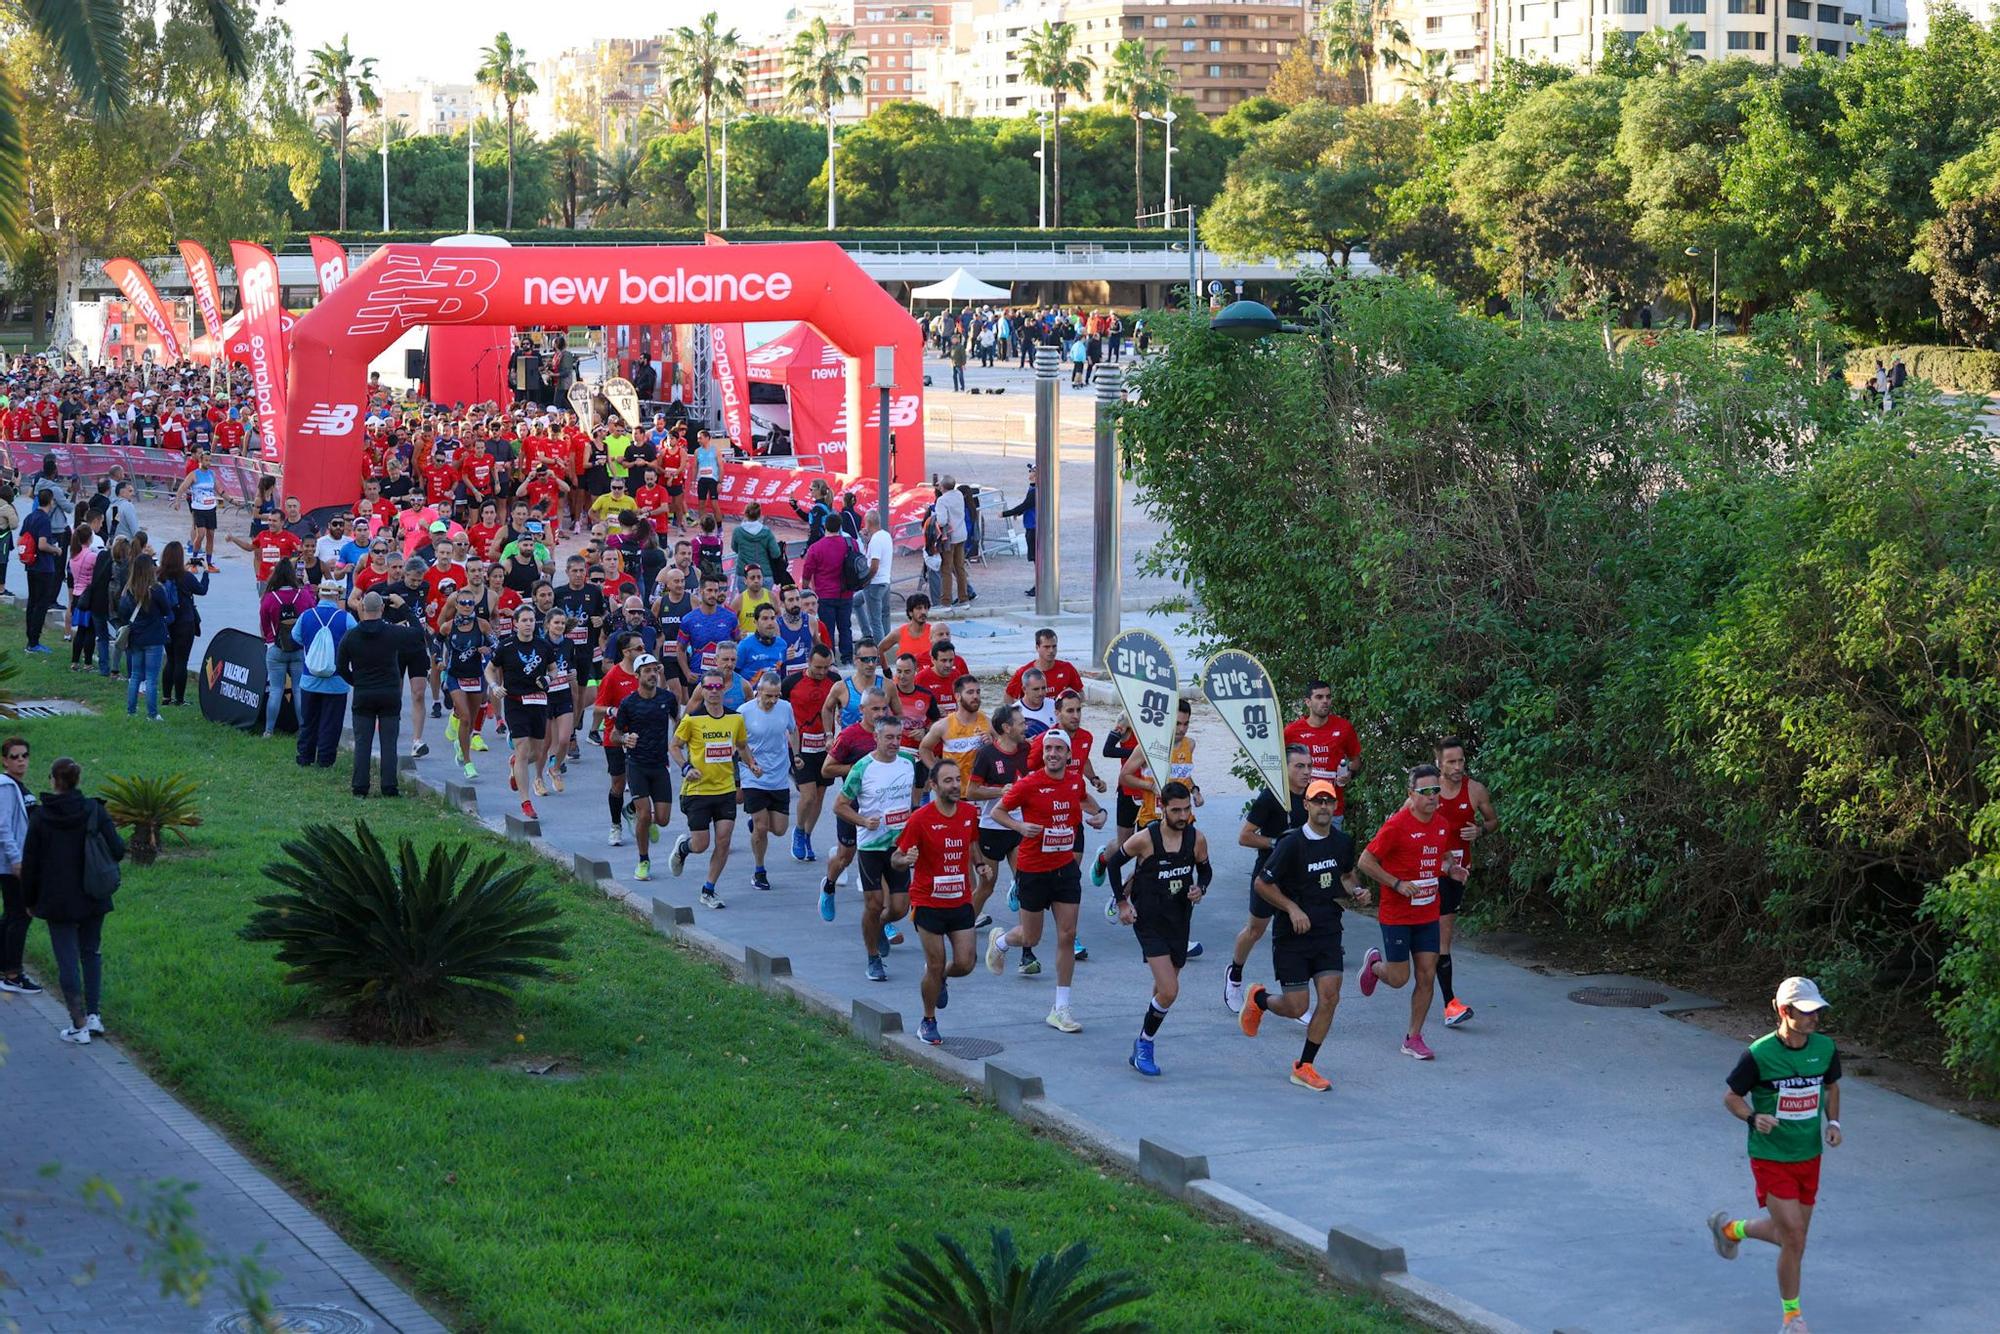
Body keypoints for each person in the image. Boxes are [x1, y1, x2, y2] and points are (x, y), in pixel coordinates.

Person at [1709, 977, 1842, 1334]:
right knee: (1795, 1237)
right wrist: (1753, 1116)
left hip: (1809, 1154)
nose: (1816, 1017)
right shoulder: (1759, 1054)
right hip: (1770, 1156)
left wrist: (1835, 1123)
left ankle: (1729, 1229)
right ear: (1785, 1011)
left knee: (1791, 1239)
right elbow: (1731, 1098)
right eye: (1808, 1011)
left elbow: (1831, 1087)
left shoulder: (1825, 1049)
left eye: (1818, 1011)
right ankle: (1791, 1319)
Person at [1237, 779, 1368, 1091]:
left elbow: (1346, 876)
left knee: (1330, 996)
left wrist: (1358, 890)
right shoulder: (1290, 844)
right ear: (1306, 805)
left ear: (1335, 806)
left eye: (1329, 801)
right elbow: (1262, 884)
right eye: (1317, 801)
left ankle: (1305, 1065)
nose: (1324, 806)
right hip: (1292, 935)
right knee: (1297, 1007)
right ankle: (1259, 999)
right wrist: (1292, 908)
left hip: (1327, 930)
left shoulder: (1342, 841)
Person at [985, 729, 1107, 1034]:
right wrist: (1018, 825)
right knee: (1031, 937)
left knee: (1067, 934)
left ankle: (1061, 1007)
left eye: (1058, 749)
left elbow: (1083, 796)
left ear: (1068, 755)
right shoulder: (1030, 783)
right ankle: (1001, 941)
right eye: (1048, 748)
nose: (1052, 753)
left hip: (1065, 868)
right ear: (1043, 754)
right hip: (1033, 869)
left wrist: (1101, 812)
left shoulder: (1075, 780)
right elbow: (998, 811)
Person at [1100, 781, 1211, 1077]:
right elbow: (1113, 864)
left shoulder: (1196, 838)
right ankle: (1145, 1043)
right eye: (1176, 810)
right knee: (1170, 990)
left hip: (1179, 919)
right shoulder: (1144, 839)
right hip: (1148, 921)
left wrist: (1201, 888)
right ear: (1162, 807)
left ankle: (1142, 1041)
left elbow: (1206, 869)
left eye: (1187, 809)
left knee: (1162, 991)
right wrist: (1123, 903)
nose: (1183, 815)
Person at [22, 755, 125, 1043]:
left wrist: (29, 900)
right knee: (90, 953)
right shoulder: (94, 810)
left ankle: (77, 1024)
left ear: (53, 781)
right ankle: (94, 1016)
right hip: (93, 894)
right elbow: (117, 850)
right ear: (78, 780)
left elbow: (30, 863)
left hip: (57, 900)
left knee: (67, 960)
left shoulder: (41, 817)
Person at [1354, 763, 1454, 1061]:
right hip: (1397, 914)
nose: (1433, 797)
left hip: (1427, 913)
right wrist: (1396, 883)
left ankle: (1413, 1037)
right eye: (1426, 792)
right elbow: (1365, 861)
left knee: (1426, 976)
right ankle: (1374, 966)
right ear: (1411, 794)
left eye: (1437, 790)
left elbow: (1441, 857)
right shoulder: (1396, 826)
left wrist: (1451, 869)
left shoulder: (1441, 825)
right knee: (1399, 978)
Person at [894, 760, 981, 1045]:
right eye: (948, 781)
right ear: (933, 785)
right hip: (928, 901)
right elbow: (897, 856)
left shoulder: (969, 813)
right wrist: (904, 860)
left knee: (966, 963)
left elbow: (971, 844)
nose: (956, 785)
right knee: (935, 962)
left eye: (958, 779)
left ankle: (939, 977)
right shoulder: (920, 819)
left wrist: (980, 866)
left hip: (960, 900)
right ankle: (928, 1020)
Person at [1225, 746, 1312, 1014]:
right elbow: (1245, 836)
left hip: (1298, 878)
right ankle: (1235, 975)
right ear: (1285, 769)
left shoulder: (1313, 796)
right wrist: (1279, 843)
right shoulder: (1271, 797)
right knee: (1255, 930)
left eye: (1309, 766)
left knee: (1299, 934)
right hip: (1268, 875)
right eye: (1299, 766)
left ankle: (1297, 997)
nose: (1306, 772)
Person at [836, 715, 917, 983]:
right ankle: (873, 958)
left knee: (900, 908)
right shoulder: (862, 768)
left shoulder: (908, 763)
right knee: (874, 904)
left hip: (900, 845)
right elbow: (839, 805)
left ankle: (881, 926)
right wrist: (863, 821)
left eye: (898, 737)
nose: (895, 743)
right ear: (876, 738)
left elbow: (913, 803)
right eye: (889, 738)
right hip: (871, 844)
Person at [668, 667, 758, 907]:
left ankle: (709, 889)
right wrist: (686, 768)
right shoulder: (692, 720)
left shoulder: (735, 718)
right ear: (702, 690)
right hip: (697, 791)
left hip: (725, 789)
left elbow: (741, 746)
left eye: (719, 687)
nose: (714, 691)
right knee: (701, 844)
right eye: (709, 687)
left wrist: (751, 764)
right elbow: (674, 746)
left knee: (724, 840)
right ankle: (684, 848)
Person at [1434, 736, 1499, 1029]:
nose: (1458, 767)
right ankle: (1383, 968)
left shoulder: (1475, 790)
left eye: (1461, 761)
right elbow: (1403, 819)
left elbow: (1493, 821)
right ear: (1439, 763)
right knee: (1426, 939)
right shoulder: (1428, 788)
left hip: (1457, 870)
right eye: (1451, 762)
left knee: (1442, 935)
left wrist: (1480, 831)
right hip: (1426, 868)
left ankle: (1449, 1004)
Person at [336, 591, 426, 798]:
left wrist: (356, 681)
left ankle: (360, 787)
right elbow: (417, 633)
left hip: (364, 693)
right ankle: (389, 786)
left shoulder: (351, 636)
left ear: (362, 609)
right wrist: (404, 607)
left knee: (363, 742)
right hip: (389, 693)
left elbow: (340, 666)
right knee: (388, 742)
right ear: (383, 609)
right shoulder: (393, 633)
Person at [817, 687, 889, 922]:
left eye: (883, 708)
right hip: (852, 806)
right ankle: (828, 886)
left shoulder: (890, 733)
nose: (880, 713)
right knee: (845, 857)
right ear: (862, 710)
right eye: (874, 709)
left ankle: (884, 919)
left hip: (882, 810)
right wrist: (859, 768)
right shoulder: (849, 735)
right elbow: (827, 769)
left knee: (883, 858)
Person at [609, 653, 682, 881]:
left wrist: (678, 741)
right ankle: (643, 860)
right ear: (637, 674)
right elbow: (614, 734)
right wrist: (625, 739)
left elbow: (677, 721)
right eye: (647, 670)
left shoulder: (667, 699)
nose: (652, 674)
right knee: (644, 815)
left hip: (660, 765)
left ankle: (630, 809)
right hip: (637, 764)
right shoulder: (629, 703)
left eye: (655, 670)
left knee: (662, 820)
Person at [968, 703, 1032, 933]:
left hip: (1017, 827)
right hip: (991, 829)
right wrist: (1000, 791)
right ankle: (964, 928)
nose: (1026, 726)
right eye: (1021, 723)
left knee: (1025, 883)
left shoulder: (1027, 749)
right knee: (987, 885)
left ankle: (1027, 942)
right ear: (1006, 727)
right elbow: (971, 791)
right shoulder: (987, 755)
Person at [488, 605, 555, 820]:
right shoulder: (506, 645)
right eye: (524, 620)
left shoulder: (543, 646)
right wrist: (494, 686)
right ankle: (526, 802)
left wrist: (548, 679)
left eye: (531, 620)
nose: (528, 624)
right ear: (515, 623)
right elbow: (489, 668)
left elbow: (553, 669)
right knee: (523, 750)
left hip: (538, 702)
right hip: (515, 702)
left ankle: (514, 764)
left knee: (537, 753)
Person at [738, 672, 800, 892]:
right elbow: (737, 742)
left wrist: (797, 755)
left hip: (779, 775)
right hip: (753, 775)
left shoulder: (785, 707)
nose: (773, 701)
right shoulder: (744, 712)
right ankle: (759, 871)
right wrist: (750, 763)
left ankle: (756, 826)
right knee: (762, 827)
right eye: (769, 696)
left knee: (780, 829)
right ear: (758, 692)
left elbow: (793, 731)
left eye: (776, 696)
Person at [781, 645, 841, 864]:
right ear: (808, 662)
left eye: (826, 667)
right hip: (800, 747)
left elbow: (843, 704)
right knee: (808, 795)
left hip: (825, 747)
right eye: (817, 667)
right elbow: (777, 704)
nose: (822, 672)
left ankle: (807, 836)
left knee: (819, 796)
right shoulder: (791, 682)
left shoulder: (835, 681)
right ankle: (798, 831)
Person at [293, 579, 355, 766]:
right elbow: (354, 641)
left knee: (308, 721)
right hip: (336, 682)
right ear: (337, 595)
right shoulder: (346, 618)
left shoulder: (306, 616)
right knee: (331, 723)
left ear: (319, 595)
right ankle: (326, 760)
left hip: (309, 679)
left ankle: (305, 756)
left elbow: (296, 638)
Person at [1285, 681, 1361, 828]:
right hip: (1302, 807)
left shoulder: (1344, 728)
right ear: (1308, 702)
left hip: (1331, 808)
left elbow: (1356, 761)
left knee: (1328, 851)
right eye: (1319, 697)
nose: (1325, 701)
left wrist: (1349, 773)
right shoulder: (1292, 731)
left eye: (1328, 697)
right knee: (1300, 850)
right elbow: (1281, 766)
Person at [438, 590, 492, 779]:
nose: (467, 606)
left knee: (470, 723)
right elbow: (436, 642)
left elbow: (495, 645)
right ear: (457, 605)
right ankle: (468, 763)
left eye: (470, 603)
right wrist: (438, 660)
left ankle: (461, 744)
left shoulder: (482, 625)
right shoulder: (448, 626)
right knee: (465, 717)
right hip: (455, 676)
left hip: (476, 677)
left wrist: (487, 650)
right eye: (463, 603)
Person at [0, 737, 39, 997]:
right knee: (20, 916)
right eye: (14, 756)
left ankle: (6, 968)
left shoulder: (16, 785)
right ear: (4, 760)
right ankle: (12, 975)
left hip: (17, 862)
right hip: (13, 865)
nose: (20, 760)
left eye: (24, 755)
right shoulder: (5, 786)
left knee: (12, 916)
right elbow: (2, 826)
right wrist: (16, 860)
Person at [115, 555, 173, 721]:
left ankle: (131, 711)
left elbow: (124, 612)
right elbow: (167, 611)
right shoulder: (156, 590)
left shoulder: (130, 590)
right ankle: (152, 714)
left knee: (135, 676)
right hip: (154, 638)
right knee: (151, 679)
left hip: (136, 637)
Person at [156, 542, 209, 707]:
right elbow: (202, 590)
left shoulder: (160, 575)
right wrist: (206, 571)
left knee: (170, 659)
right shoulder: (185, 577)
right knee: (181, 661)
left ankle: (166, 697)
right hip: (185, 623)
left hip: (167, 622)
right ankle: (179, 699)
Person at [801, 519, 857, 665]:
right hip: (846, 593)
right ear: (840, 527)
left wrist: (806, 587)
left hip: (824, 594)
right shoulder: (851, 544)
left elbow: (808, 569)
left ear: (824, 526)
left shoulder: (816, 547)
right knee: (845, 627)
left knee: (827, 629)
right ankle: (847, 658)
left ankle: (829, 659)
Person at [21, 487, 63, 652]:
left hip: (31, 565)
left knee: (32, 602)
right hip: (44, 567)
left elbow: (21, 539)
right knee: (41, 604)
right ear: (51, 502)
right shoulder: (44, 520)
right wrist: (56, 550)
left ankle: (29, 638)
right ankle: (34, 642)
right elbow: (42, 544)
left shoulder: (30, 517)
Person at [1006, 628, 1083, 700]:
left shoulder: (1067, 668)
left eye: (1054, 646)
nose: (1051, 650)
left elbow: (1081, 693)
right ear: (1037, 648)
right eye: (1046, 647)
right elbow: (1008, 696)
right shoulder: (1024, 672)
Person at [856, 510, 894, 644]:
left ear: (868, 523)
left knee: (875, 620)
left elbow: (874, 566)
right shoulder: (885, 535)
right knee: (882, 614)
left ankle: (880, 650)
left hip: (874, 583)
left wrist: (865, 580)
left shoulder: (876, 540)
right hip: (884, 581)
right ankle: (880, 639)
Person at [933, 477, 969, 607]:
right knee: (960, 567)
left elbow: (942, 521)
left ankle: (946, 601)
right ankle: (963, 598)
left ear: (942, 486)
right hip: (961, 534)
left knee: (946, 569)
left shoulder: (942, 501)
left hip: (949, 538)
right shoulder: (958, 494)